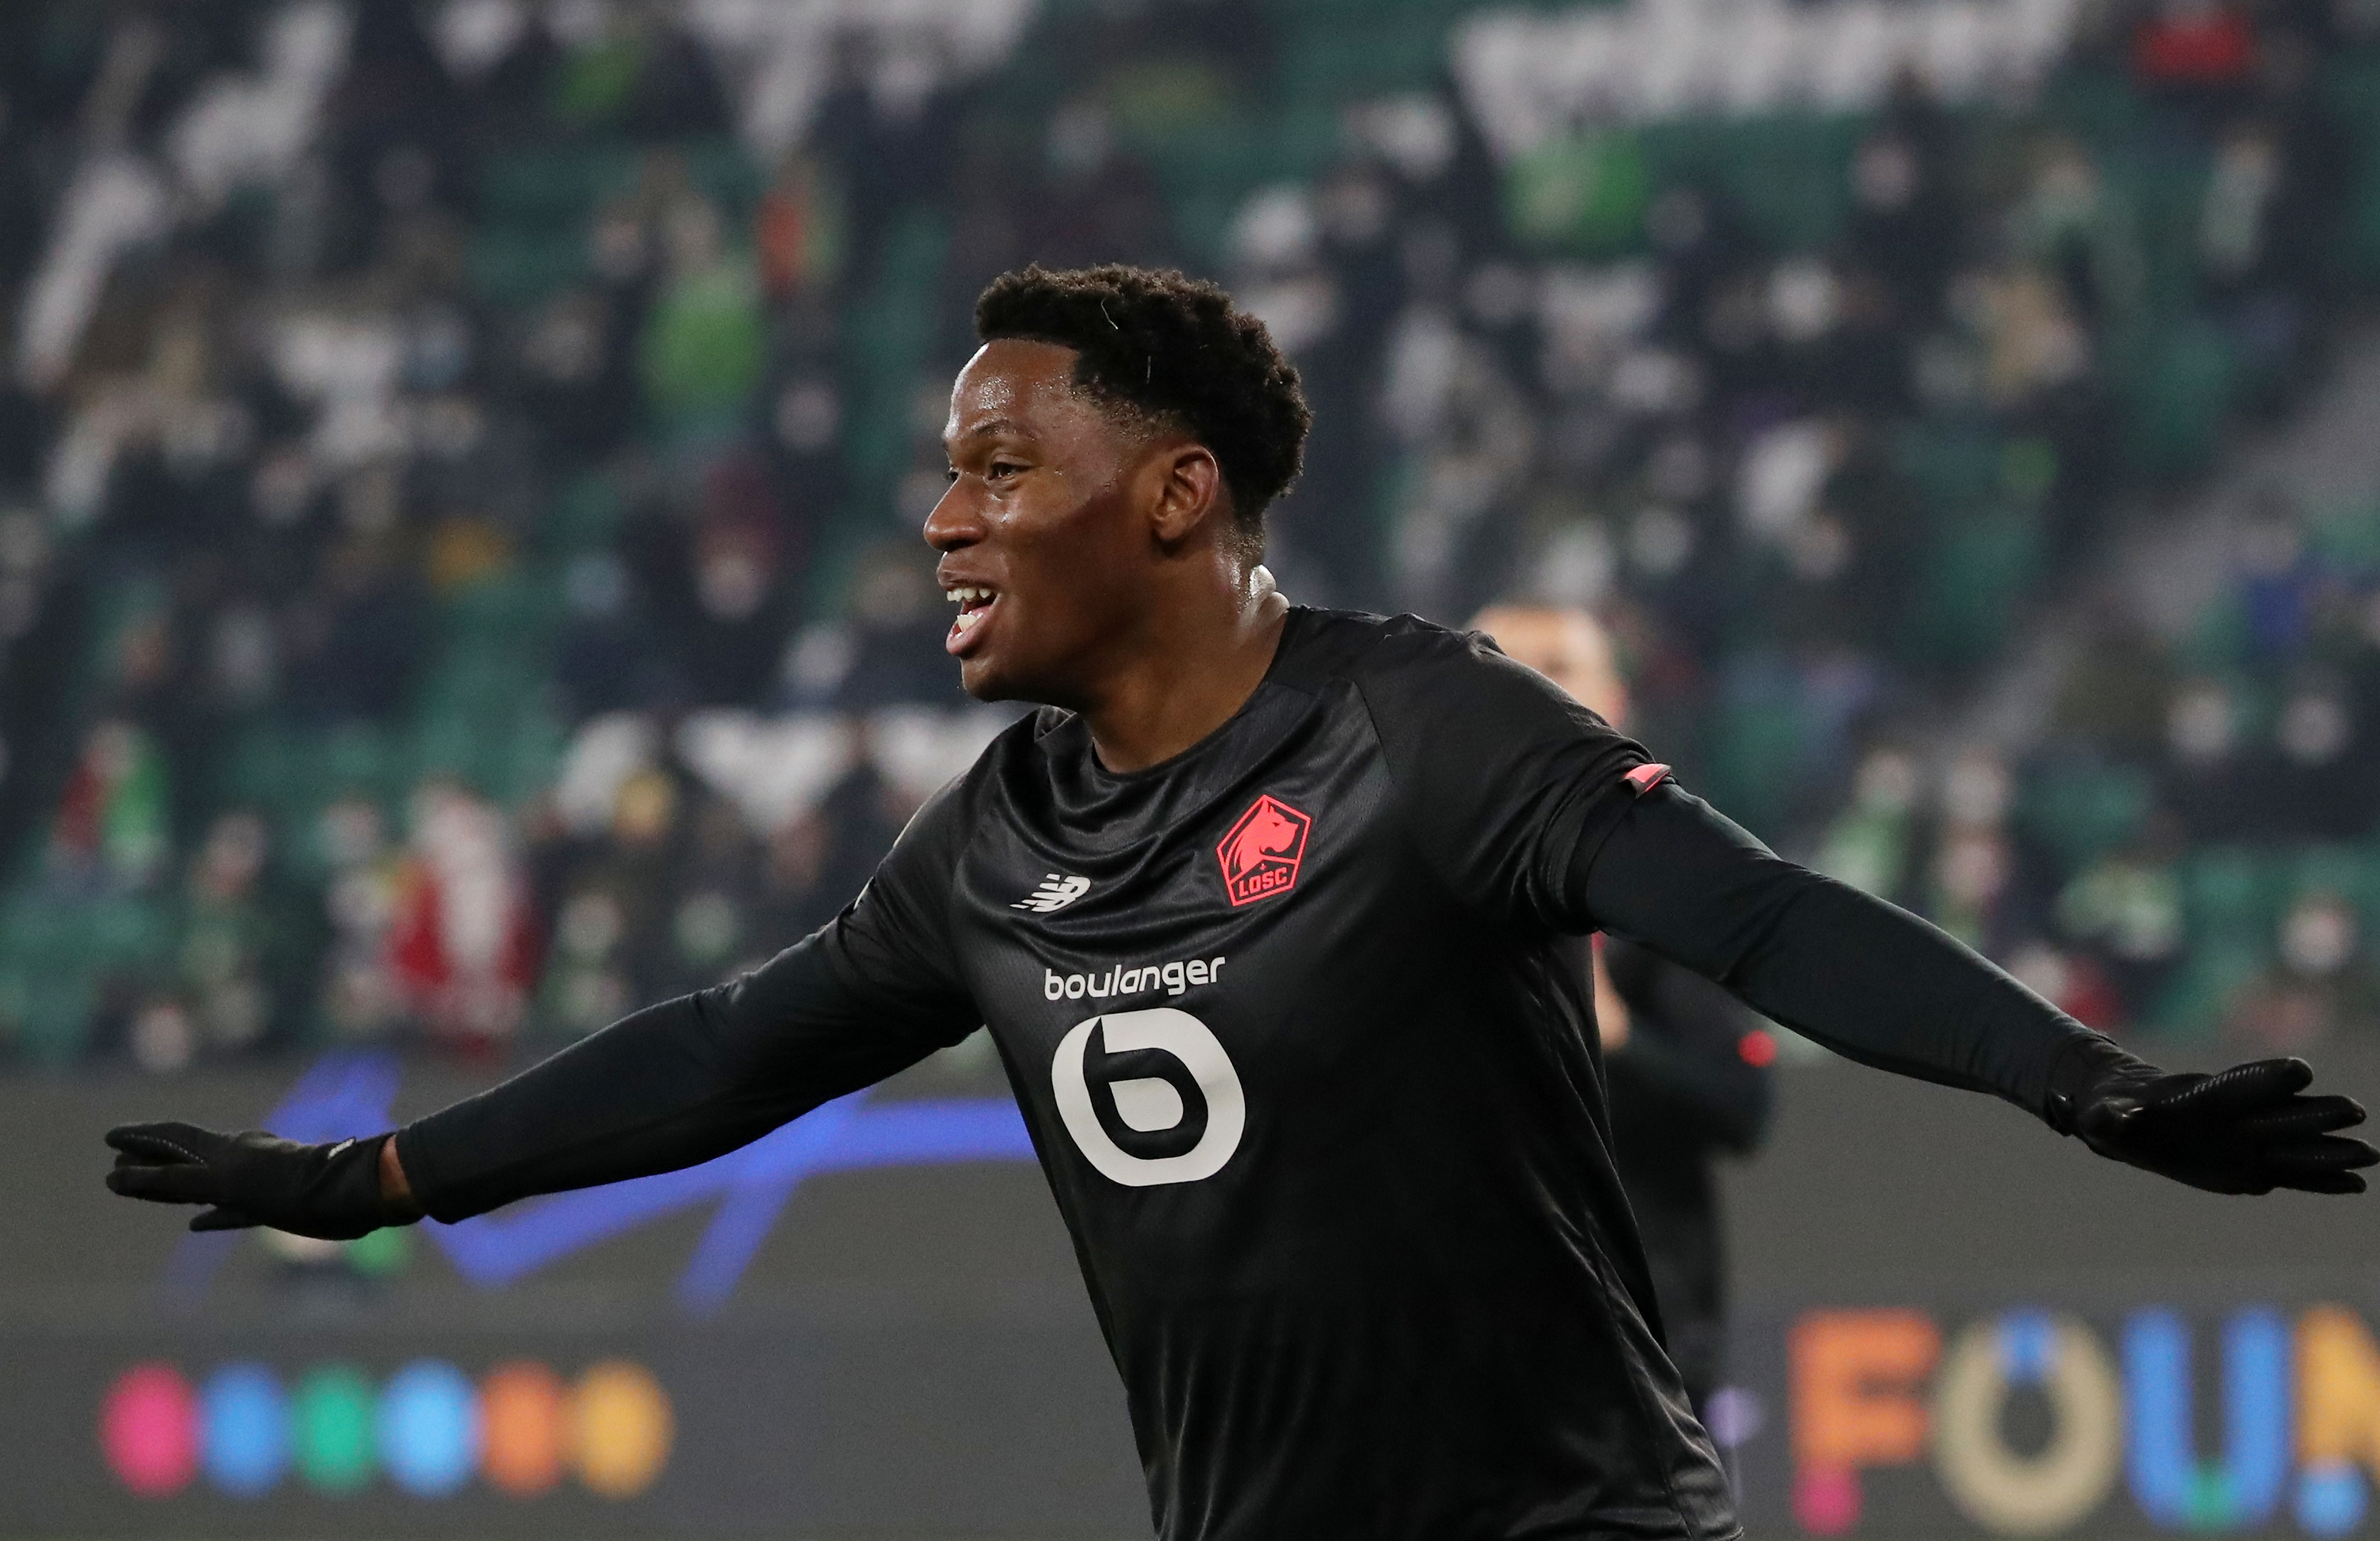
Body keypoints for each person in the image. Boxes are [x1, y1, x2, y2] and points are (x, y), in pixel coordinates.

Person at [106, 265, 2372, 1541]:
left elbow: (1762, 920)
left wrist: (2091, 1085)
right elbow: (725, 1048)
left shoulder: (1425, 730)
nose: (944, 517)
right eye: (943, 468)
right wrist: (361, 1175)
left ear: (1177, 495)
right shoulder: (995, 832)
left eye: (1005, 463)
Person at [1471, 602, 1772, 1415]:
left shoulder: (1671, 893)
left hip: (1637, 1355)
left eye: (1558, 667)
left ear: (1614, 699)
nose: (1525, 686)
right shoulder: (1385, 882)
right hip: (1452, 1356)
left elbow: (1742, 1104)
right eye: (1494, 661)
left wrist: (1619, 1038)